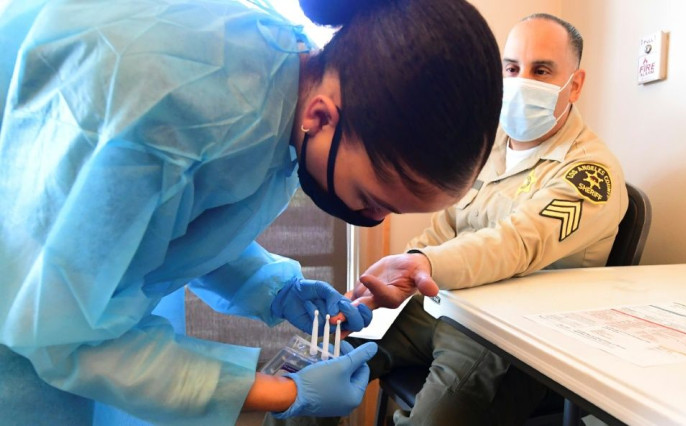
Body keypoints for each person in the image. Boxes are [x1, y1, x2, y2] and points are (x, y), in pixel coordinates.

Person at [0, 0, 502, 425]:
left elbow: (162, 221)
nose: (372, 218)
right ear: (321, 117)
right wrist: (283, 393)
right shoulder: (163, 113)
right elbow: (61, 334)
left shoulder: (280, 76)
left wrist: (276, 287)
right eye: (373, 200)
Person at [266, 13, 627, 426]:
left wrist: (423, 265)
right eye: (512, 68)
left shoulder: (591, 173)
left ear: (575, 84)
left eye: (542, 70)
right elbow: (443, 229)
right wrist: (399, 276)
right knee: (309, 372)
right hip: (439, 304)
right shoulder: (488, 151)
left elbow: (516, 244)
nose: (522, 80)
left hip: (501, 334)